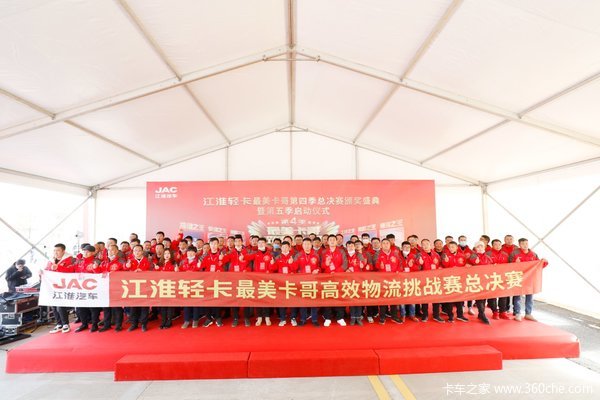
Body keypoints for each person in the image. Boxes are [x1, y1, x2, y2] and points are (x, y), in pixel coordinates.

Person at [509, 238, 548, 322]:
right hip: (518, 277)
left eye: (526, 243)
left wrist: (544, 262)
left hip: (530, 278)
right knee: (517, 296)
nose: (525, 245)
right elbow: (508, 266)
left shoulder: (533, 254)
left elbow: (538, 266)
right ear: (519, 245)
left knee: (529, 296)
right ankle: (517, 313)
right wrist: (515, 263)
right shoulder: (514, 253)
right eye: (523, 244)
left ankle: (528, 313)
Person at [221, 235, 252, 327]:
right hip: (234, 278)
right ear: (234, 243)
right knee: (234, 299)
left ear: (242, 242)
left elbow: (251, 264)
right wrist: (222, 258)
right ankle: (235, 318)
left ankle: (246, 318)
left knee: (245, 298)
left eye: (239, 241)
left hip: (244, 278)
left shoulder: (247, 252)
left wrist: (247, 270)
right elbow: (224, 261)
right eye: (236, 241)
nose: (238, 243)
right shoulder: (230, 252)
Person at [44, 244, 75, 334]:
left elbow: (72, 270)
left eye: (57, 250)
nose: (55, 252)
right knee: (54, 306)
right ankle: (59, 324)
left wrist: (59, 267)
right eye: (54, 250)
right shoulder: (51, 260)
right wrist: (42, 272)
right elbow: (47, 270)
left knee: (60, 306)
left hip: (65, 286)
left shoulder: (70, 259)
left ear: (63, 251)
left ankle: (65, 324)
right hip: (53, 286)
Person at [245, 237, 276, 326]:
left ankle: (267, 317)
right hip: (257, 279)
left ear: (265, 244)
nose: (261, 244)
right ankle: (259, 317)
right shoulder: (255, 253)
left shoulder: (270, 254)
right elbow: (246, 258)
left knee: (266, 298)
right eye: (259, 243)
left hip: (267, 280)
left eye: (262, 243)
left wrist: (271, 265)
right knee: (258, 298)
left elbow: (274, 268)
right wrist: (242, 255)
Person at [321, 235, 347, 327]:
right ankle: (328, 318)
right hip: (327, 278)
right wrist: (326, 264)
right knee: (328, 297)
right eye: (330, 240)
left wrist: (336, 272)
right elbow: (321, 265)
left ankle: (340, 317)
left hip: (339, 277)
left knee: (339, 297)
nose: (332, 241)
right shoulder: (324, 252)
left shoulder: (341, 251)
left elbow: (345, 264)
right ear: (327, 242)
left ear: (336, 242)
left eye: (334, 240)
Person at [74, 245, 102, 332]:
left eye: (88, 252)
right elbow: (72, 270)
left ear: (93, 253)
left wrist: (96, 268)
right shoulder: (79, 261)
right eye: (84, 251)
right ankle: (84, 324)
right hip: (81, 288)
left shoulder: (97, 261)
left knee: (93, 307)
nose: (85, 253)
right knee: (81, 307)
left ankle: (94, 324)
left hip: (93, 288)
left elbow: (100, 273)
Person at [294, 238, 321, 326]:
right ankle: (303, 319)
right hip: (302, 281)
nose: (307, 246)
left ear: (311, 245)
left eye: (308, 244)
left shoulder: (316, 255)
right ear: (302, 245)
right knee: (303, 301)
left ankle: (314, 319)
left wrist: (317, 270)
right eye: (305, 244)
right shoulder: (298, 255)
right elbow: (294, 268)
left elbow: (320, 267)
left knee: (314, 300)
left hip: (313, 280)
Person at [375, 239, 402, 325]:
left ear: (390, 245)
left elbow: (400, 264)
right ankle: (382, 317)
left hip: (393, 280)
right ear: (381, 245)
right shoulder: (378, 254)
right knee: (383, 299)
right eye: (384, 243)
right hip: (382, 279)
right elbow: (375, 264)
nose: (386, 245)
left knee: (394, 299)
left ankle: (394, 317)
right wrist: (379, 265)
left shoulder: (395, 254)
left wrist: (398, 271)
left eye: (387, 243)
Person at [441, 241, 469, 323]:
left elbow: (465, 266)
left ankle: (460, 315)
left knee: (459, 299)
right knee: (450, 299)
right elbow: (444, 266)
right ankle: (450, 316)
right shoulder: (445, 255)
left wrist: (467, 266)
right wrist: (446, 261)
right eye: (450, 247)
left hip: (459, 280)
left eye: (453, 246)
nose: (451, 248)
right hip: (449, 280)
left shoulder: (462, 256)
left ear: (457, 247)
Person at [99, 244, 125, 332]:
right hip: (105, 287)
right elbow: (99, 273)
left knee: (117, 307)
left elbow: (125, 272)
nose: (110, 252)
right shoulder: (104, 262)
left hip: (116, 287)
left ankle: (118, 325)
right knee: (106, 307)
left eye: (112, 250)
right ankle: (107, 325)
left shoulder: (121, 261)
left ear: (117, 251)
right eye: (109, 250)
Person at [414, 239, 441, 322]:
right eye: (423, 244)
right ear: (421, 246)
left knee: (436, 298)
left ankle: (436, 315)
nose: (425, 246)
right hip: (424, 279)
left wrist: (440, 268)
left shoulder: (436, 254)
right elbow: (416, 264)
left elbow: (440, 264)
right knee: (425, 298)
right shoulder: (419, 254)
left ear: (430, 245)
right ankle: (425, 315)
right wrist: (419, 263)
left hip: (435, 279)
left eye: (427, 244)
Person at [272, 241, 299, 326]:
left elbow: (296, 268)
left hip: (292, 281)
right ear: (281, 248)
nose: (285, 249)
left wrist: (291, 263)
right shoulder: (278, 257)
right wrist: (272, 264)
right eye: (283, 247)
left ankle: (293, 318)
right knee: (282, 300)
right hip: (281, 282)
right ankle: (283, 318)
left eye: (286, 247)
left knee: (293, 300)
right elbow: (274, 269)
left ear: (289, 248)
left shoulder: (294, 256)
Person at [126, 244, 151, 332]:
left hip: (145, 286)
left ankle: (144, 324)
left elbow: (152, 272)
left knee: (144, 306)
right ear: (133, 252)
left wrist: (142, 271)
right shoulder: (130, 261)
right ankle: (134, 323)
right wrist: (127, 267)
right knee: (133, 306)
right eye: (135, 250)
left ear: (142, 252)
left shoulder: (147, 261)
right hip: (133, 287)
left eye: (139, 250)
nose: (137, 252)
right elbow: (125, 271)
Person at [200, 238, 224, 327]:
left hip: (218, 281)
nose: (213, 246)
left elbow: (226, 268)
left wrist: (222, 260)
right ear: (209, 245)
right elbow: (201, 267)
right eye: (212, 244)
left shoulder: (222, 255)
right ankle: (208, 318)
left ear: (218, 245)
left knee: (217, 300)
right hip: (208, 281)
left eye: (215, 244)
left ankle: (218, 317)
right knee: (208, 300)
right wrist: (199, 265)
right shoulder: (205, 256)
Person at [468, 241, 494, 325]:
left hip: (486, 279)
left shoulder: (488, 257)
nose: (480, 248)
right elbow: (471, 263)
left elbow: (492, 266)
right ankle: (482, 314)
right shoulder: (473, 256)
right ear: (475, 248)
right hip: (477, 279)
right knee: (479, 297)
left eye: (481, 246)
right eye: (478, 247)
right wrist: (475, 262)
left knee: (484, 297)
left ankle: (481, 313)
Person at [487, 239, 511, 319]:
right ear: (492, 245)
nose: (497, 246)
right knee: (492, 295)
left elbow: (510, 265)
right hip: (491, 277)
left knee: (503, 294)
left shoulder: (505, 254)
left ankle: (502, 311)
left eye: (499, 245)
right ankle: (494, 311)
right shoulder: (488, 254)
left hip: (503, 277)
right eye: (495, 244)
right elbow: (484, 265)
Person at [345, 241, 366, 326]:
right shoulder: (345, 255)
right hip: (348, 280)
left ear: (354, 247)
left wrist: (361, 264)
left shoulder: (359, 255)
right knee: (351, 299)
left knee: (358, 299)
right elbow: (343, 265)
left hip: (358, 279)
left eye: (352, 246)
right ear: (346, 247)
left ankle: (358, 317)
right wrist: (346, 269)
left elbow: (362, 265)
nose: (350, 247)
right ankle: (353, 317)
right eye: (348, 246)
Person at [155, 248, 176, 329]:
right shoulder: (160, 264)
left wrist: (177, 271)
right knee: (163, 305)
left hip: (171, 286)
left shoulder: (174, 263)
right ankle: (163, 321)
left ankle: (169, 321)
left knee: (170, 305)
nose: (167, 255)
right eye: (165, 254)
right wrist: (156, 270)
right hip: (161, 286)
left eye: (168, 253)